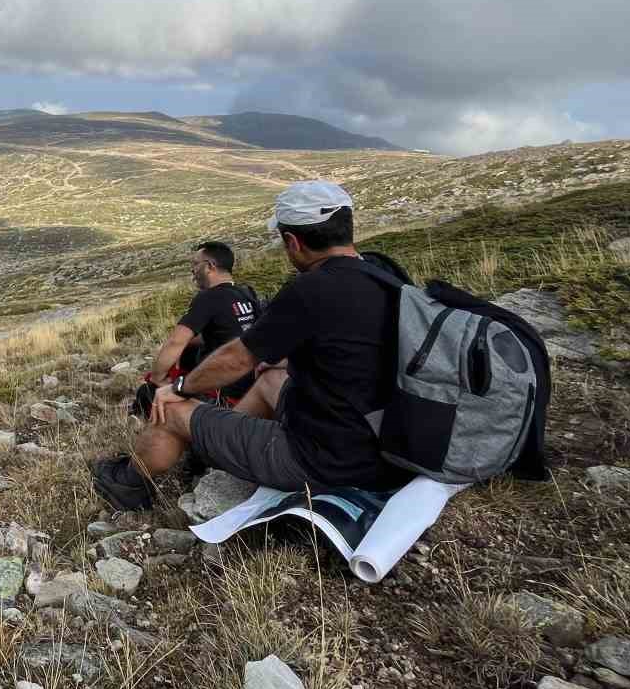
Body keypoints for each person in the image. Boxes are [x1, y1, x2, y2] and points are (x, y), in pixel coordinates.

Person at [92, 180, 413, 512]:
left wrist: (181, 386)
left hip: (323, 460)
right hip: (384, 447)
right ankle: (211, 452)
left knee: (169, 409)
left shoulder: (311, 288)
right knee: (271, 379)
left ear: (293, 241)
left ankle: (126, 484)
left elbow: (238, 359)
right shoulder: (388, 277)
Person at [130, 241, 260, 418]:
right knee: (190, 351)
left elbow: (176, 342)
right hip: (251, 388)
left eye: (195, 264)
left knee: (147, 392)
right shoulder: (246, 293)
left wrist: (157, 377)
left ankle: (141, 423)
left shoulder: (209, 297)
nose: (192, 270)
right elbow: (232, 332)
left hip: (221, 393)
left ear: (209, 266)